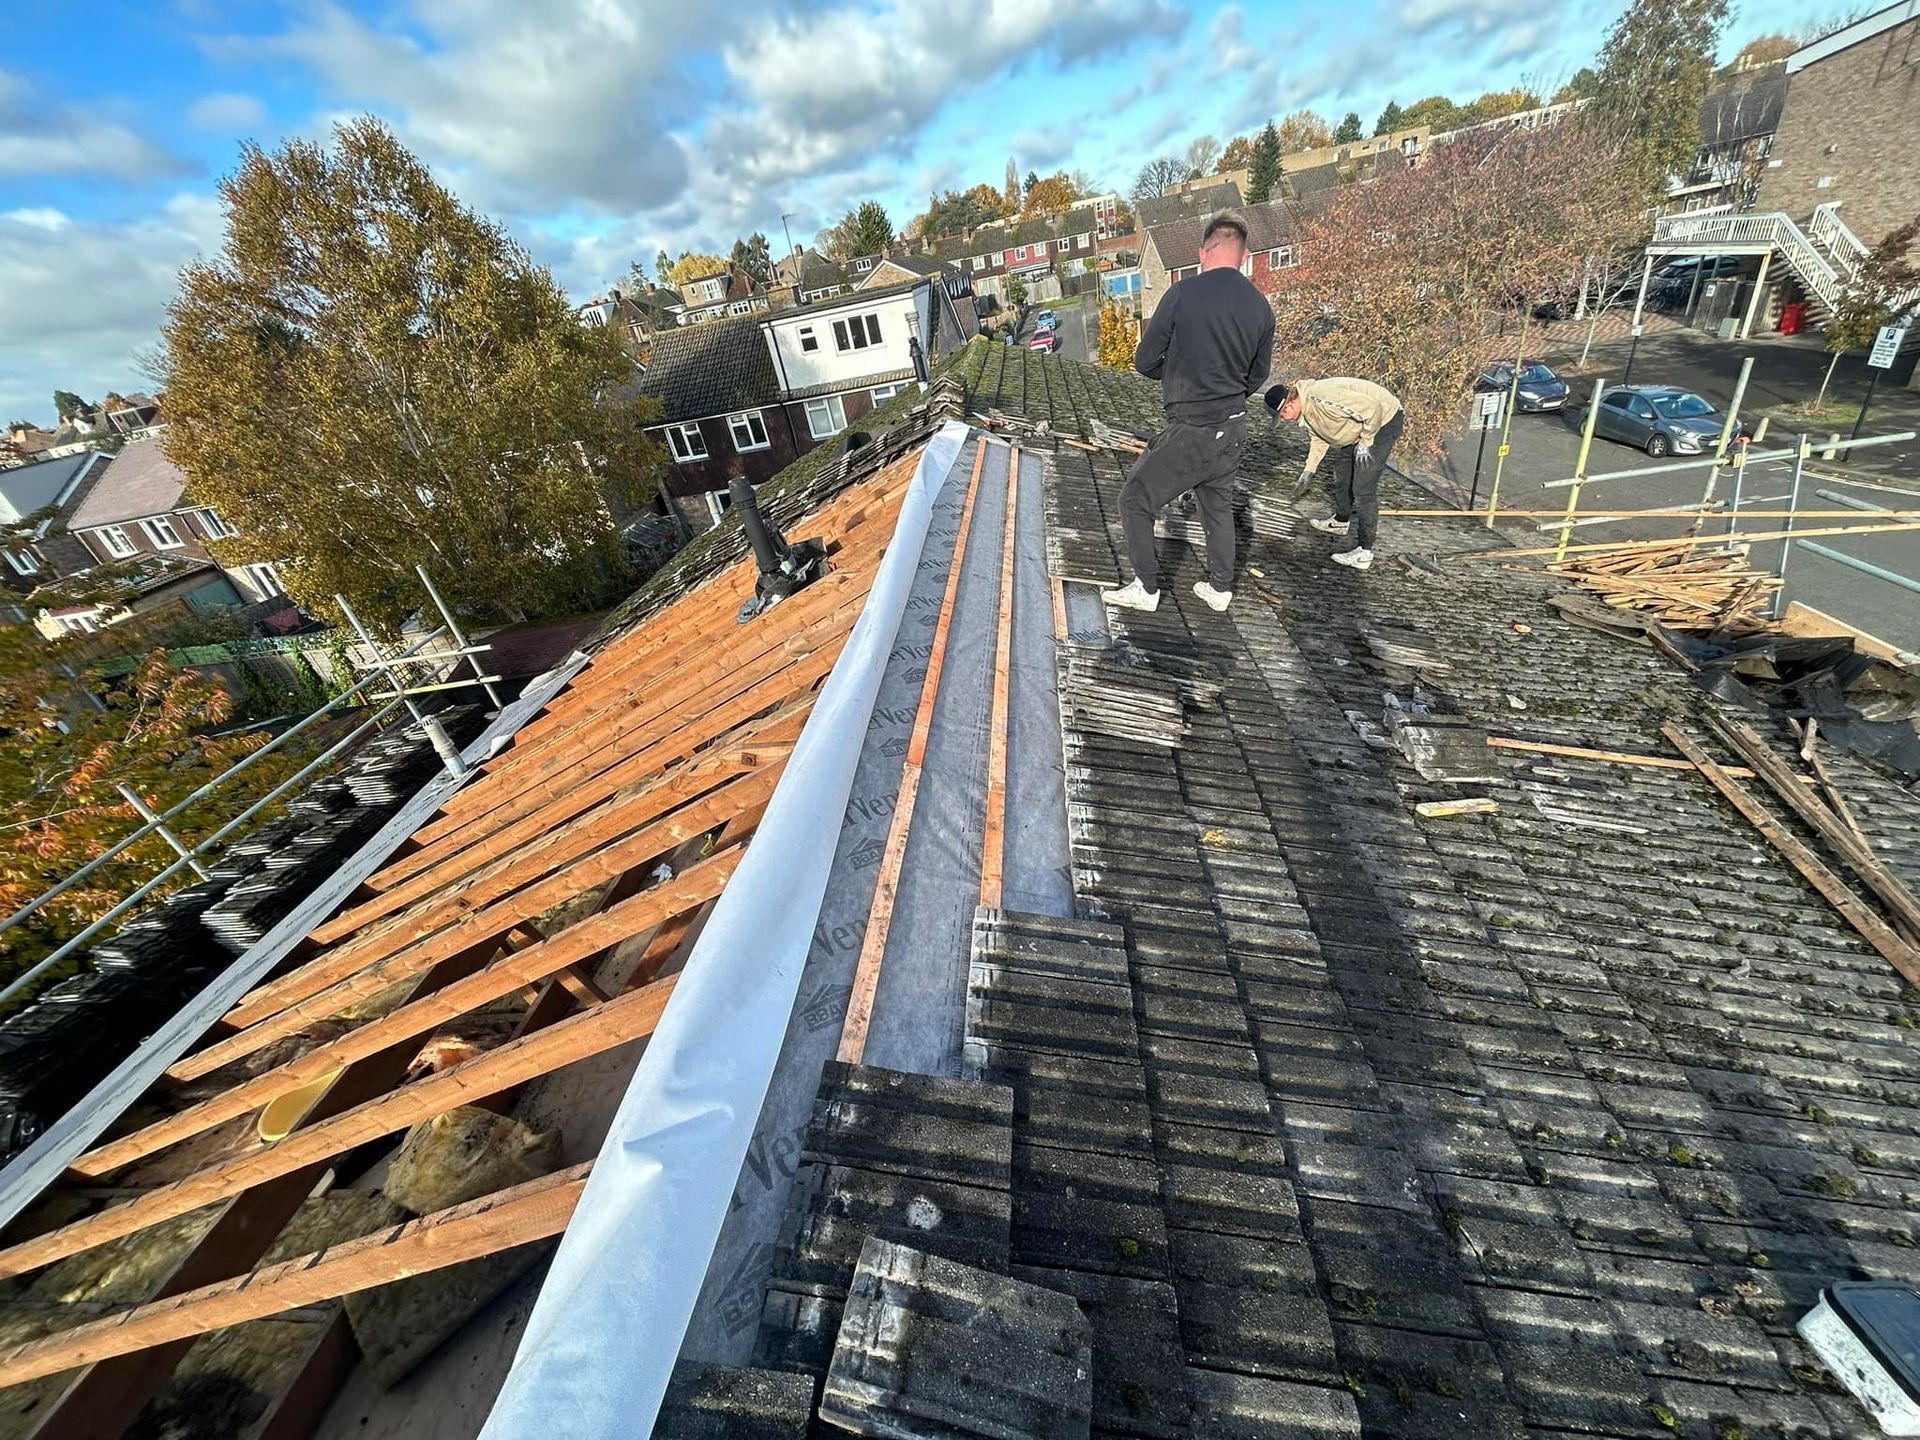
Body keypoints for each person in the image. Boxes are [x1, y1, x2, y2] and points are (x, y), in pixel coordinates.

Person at [1104, 211, 1275, 614]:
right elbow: (1258, 375)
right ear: (1244, 255)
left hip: (1194, 428)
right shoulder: (1260, 307)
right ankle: (1220, 589)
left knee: (1134, 500)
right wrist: (1226, 393)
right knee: (1216, 506)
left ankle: (1146, 589)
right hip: (1233, 427)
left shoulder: (1183, 294)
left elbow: (1144, 359)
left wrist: (1179, 378)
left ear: (1203, 252)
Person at [1265, 377, 1404, 572]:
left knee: (1363, 488)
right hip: (1358, 427)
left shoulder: (1323, 397)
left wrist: (1365, 442)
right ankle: (1340, 521)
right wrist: (1309, 470)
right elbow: (1320, 437)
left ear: (1289, 405)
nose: (1285, 421)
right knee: (1342, 472)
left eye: (1283, 416)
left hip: (1383, 420)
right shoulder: (1307, 411)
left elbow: (1371, 408)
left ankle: (1365, 552)